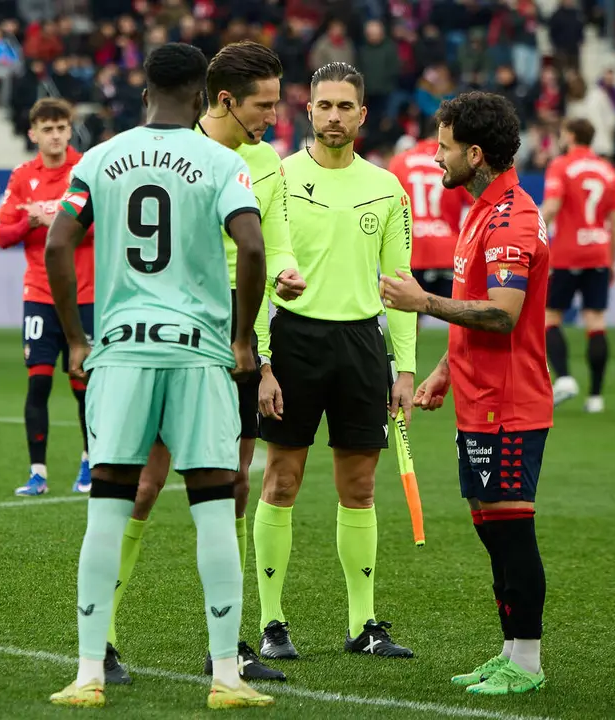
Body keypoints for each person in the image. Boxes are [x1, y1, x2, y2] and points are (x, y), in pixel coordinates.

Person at [44, 42, 274, 710]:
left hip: (120, 353)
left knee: (109, 506)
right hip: (199, 354)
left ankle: (89, 672)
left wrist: (77, 338)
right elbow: (253, 247)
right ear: (203, 96)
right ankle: (226, 677)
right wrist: (240, 337)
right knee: (212, 506)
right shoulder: (223, 161)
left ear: (144, 90)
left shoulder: (98, 158)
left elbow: (60, 243)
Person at [105, 40, 305, 686]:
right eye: (264, 105)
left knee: (233, 486)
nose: (275, 118)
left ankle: (229, 645)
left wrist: (278, 297)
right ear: (222, 100)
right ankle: (101, 637)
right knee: (142, 483)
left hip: (238, 329)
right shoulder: (173, 149)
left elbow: (270, 249)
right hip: (176, 323)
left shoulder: (267, 163)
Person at [379, 90, 552, 695]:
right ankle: (509, 651)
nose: (435, 158)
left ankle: (525, 662)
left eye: (445, 147)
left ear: (475, 153)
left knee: (510, 530)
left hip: (509, 404)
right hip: (476, 398)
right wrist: (445, 371)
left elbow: (504, 314)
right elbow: (475, 312)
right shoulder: (479, 209)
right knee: (490, 528)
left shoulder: (512, 219)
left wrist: (422, 302)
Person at [253, 61, 416, 661]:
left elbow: (401, 284)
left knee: (361, 487)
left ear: (362, 115)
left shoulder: (388, 187)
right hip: (293, 342)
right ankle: (273, 624)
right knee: (282, 480)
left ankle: (364, 624)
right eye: (325, 105)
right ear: (309, 110)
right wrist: (264, 361)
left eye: (346, 106)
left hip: (361, 347)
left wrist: (404, 368)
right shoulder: (279, 177)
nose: (334, 116)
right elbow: (255, 266)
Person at [0, 97, 96, 496]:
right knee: (37, 383)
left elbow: (99, 225)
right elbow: (2, 235)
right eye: (47, 129)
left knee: (83, 383)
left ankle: (89, 465)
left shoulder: (85, 169)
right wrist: (29, 219)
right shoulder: (22, 176)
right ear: (33, 133)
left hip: (84, 294)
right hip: (38, 294)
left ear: (69, 131)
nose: (54, 136)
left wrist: (52, 219)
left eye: (60, 128)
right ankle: (38, 473)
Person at [540, 118, 615, 412]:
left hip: (567, 254)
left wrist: (530, 231)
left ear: (570, 135)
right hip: (598, 252)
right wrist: (612, 260)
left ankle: (564, 379)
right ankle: (596, 397)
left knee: (549, 318)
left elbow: (551, 207)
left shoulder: (561, 166)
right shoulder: (607, 170)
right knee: (596, 322)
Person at [387, 118, 470, 328]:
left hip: (410, 251)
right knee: (463, 320)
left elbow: (387, 206)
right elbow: (474, 204)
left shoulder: (400, 162)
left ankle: (407, 362)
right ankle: (458, 361)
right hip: (448, 251)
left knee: (407, 322)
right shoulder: (455, 162)